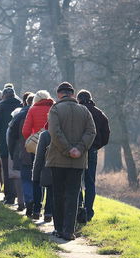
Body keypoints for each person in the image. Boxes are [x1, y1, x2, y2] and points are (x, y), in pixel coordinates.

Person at [47, 82, 96, 240]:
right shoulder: (84, 110)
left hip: (58, 159)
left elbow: (54, 132)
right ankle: (69, 230)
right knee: (73, 195)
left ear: (59, 94)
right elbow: (91, 131)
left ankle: (59, 229)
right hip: (78, 160)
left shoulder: (55, 109)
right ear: (73, 94)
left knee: (58, 194)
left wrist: (67, 149)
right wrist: (79, 149)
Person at [77, 90, 110, 222]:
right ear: (90, 98)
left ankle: (79, 208)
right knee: (90, 182)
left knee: (77, 180)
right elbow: (106, 135)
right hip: (92, 150)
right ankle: (89, 211)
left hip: (78, 149)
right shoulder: (99, 113)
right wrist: (97, 145)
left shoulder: (77, 112)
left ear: (79, 99)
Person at [22, 90, 55, 219]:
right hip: (53, 146)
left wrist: (33, 137)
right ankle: (49, 212)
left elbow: (25, 131)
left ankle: (36, 210)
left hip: (36, 147)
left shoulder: (32, 109)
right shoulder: (54, 108)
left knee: (36, 177)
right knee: (51, 177)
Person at [0, 85, 22, 205]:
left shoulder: (0, 107)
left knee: (6, 168)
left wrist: (1, 131)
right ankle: (21, 196)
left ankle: (9, 196)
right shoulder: (20, 105)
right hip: (19, 142)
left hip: (4, 141)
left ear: (4, 96)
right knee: (19, 167)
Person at [7, 93, 33, 213]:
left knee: (23, 177)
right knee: (39, 179)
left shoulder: (19, 115)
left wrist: (12, 152)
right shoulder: (48, 112)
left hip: (23, 151)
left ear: (25, 102)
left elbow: (11, 135)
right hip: (43, 152)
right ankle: (38, 205)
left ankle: (24, 202)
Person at [33, 126, 54, 224]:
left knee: (43, 187)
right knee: (52, 191)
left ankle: (37, 211)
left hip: (46, 168)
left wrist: (35, 173)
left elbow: (39, 156)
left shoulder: (45, 135)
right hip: (59, 169)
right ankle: (48, 213)